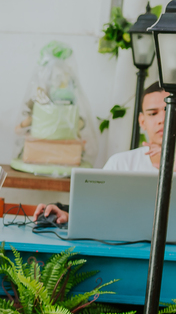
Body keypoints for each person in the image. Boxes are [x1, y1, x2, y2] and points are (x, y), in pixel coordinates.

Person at [33, 82, 170, 225]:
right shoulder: (120, 164)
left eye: (170, 110)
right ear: (142, 122)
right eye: (153, 113)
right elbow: (96, 211)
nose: (162, 119)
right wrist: (67, 215)